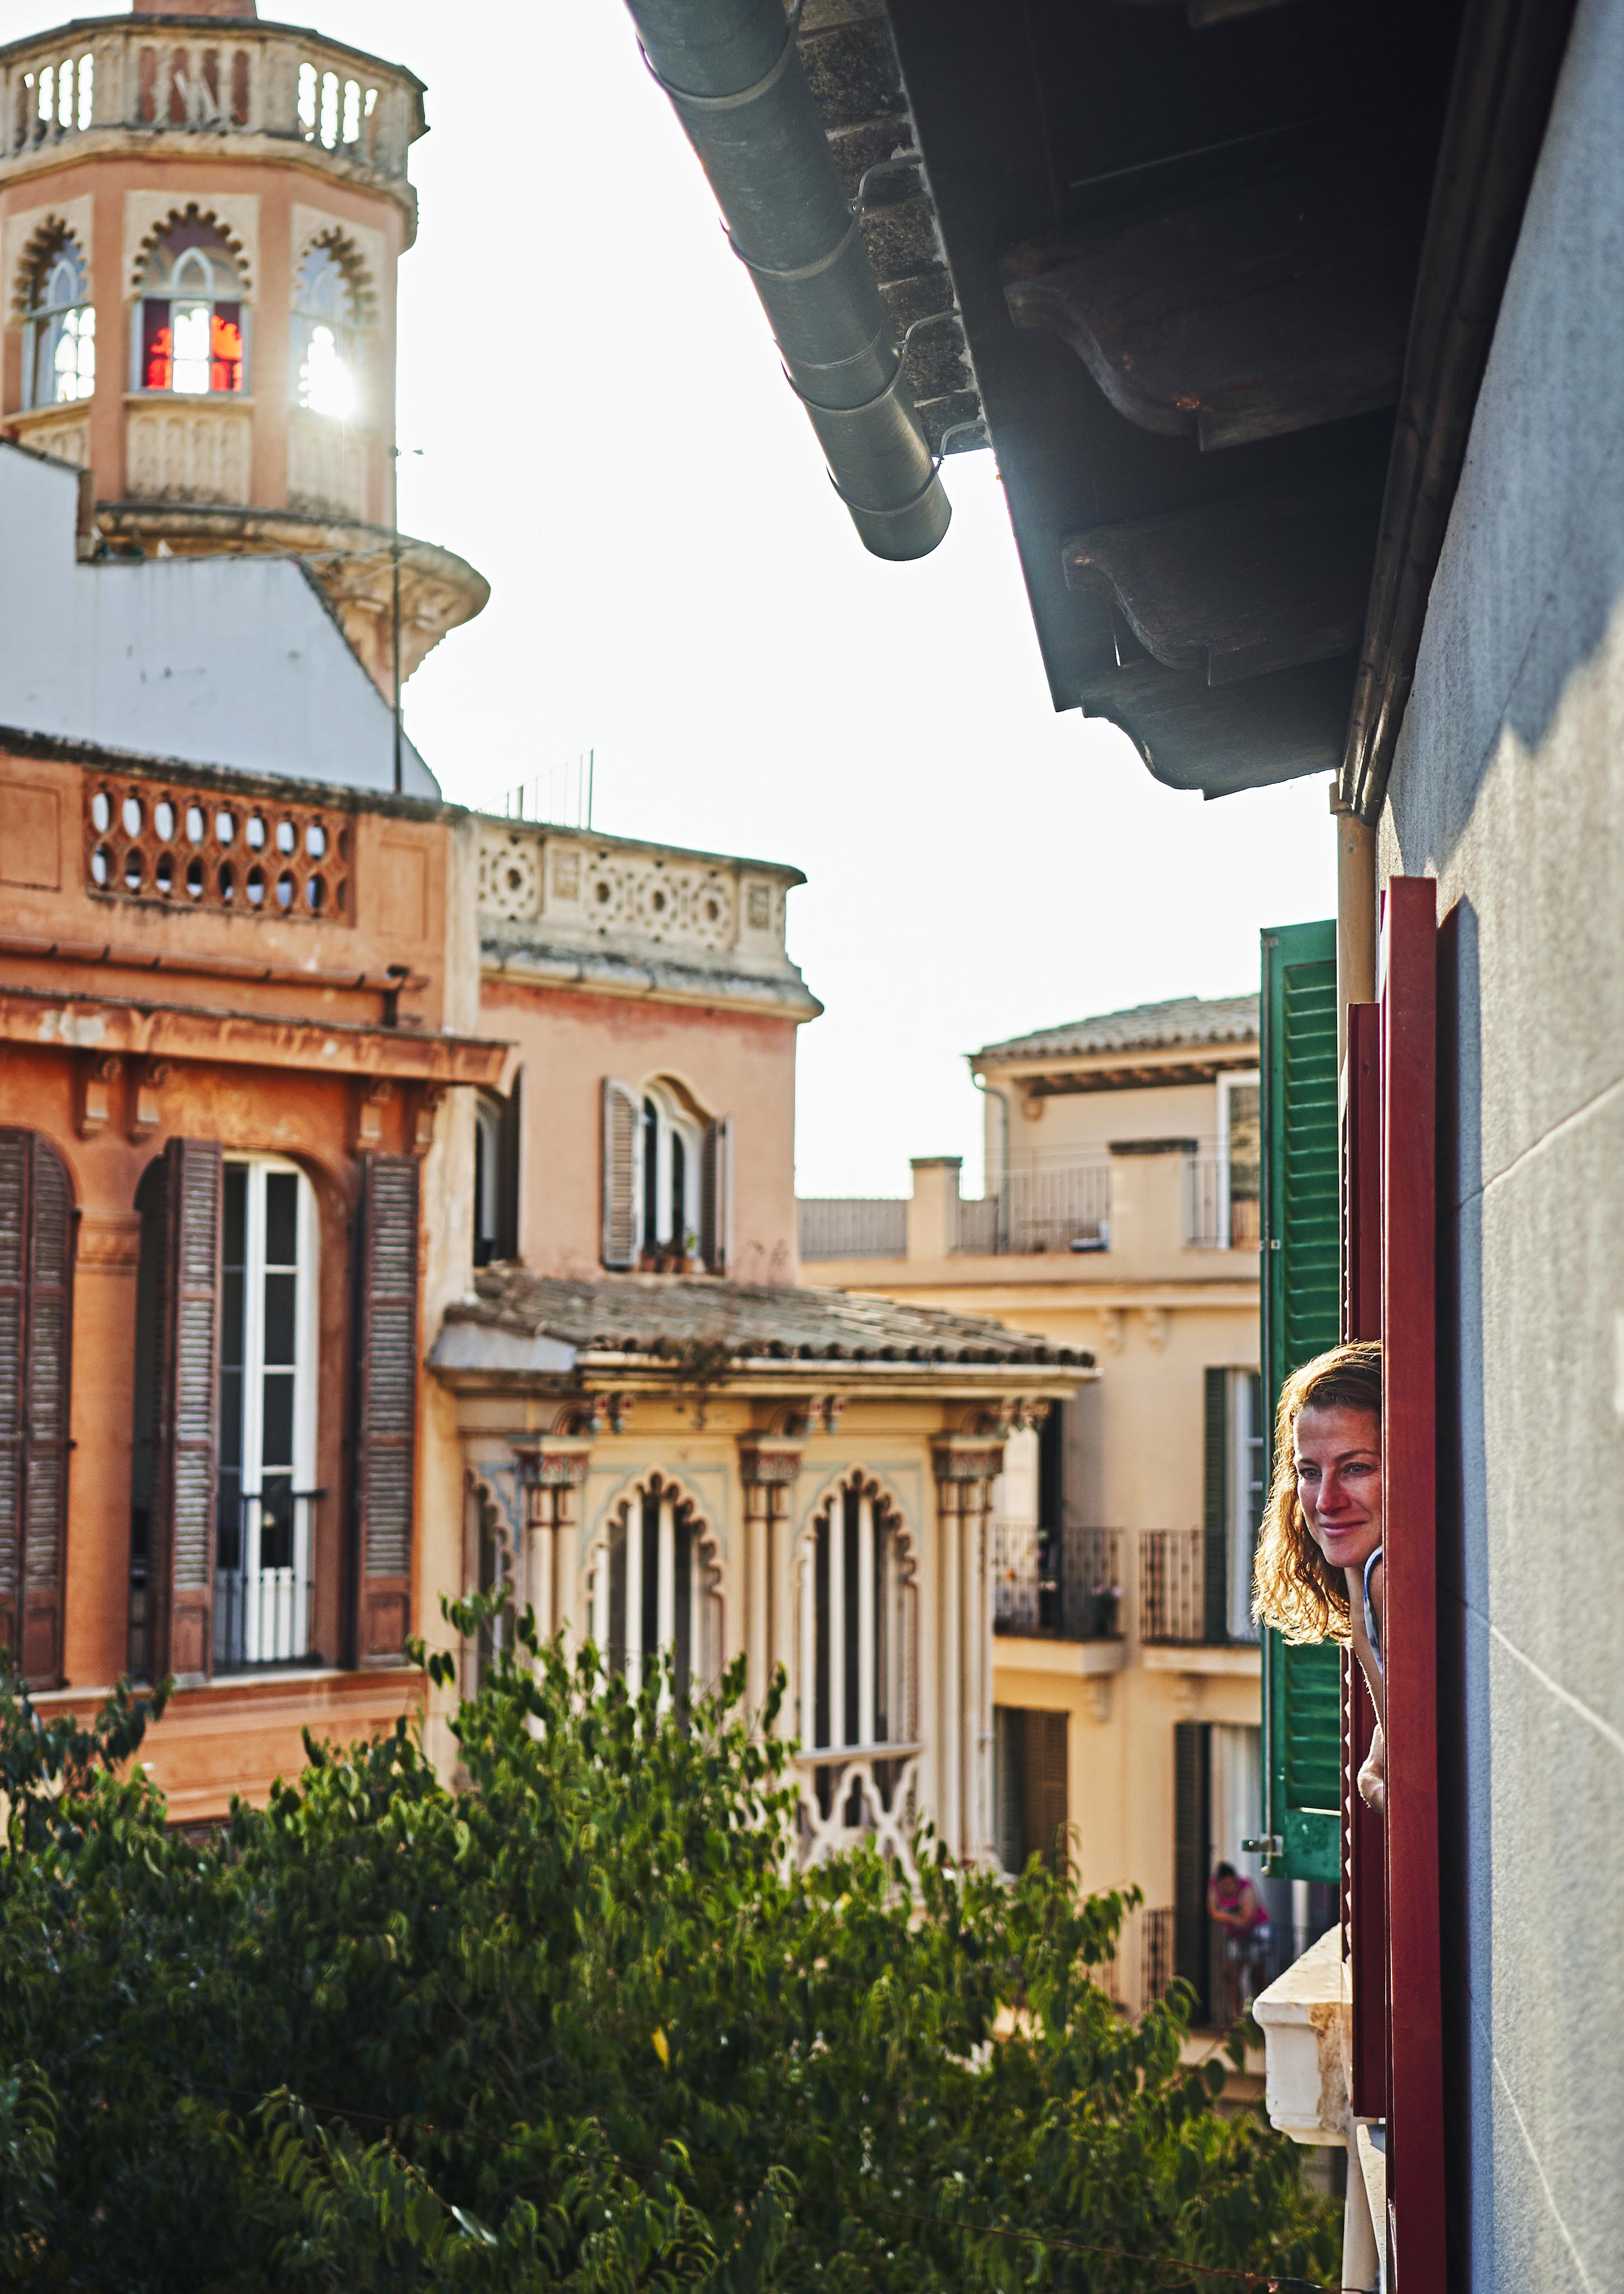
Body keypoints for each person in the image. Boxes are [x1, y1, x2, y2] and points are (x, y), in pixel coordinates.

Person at [1252, 1341, 1386, 1813]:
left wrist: (1370, 1781)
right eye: (1310, 1472)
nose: (1326, 1501)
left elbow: (1404, 1786)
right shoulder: (1368, 1575)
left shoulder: (1384, 1580)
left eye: (1356, 1468)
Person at [1208, 1861, 1271, 2021]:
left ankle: (1260, 2016)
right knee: (1230, 1974)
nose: (1228, 1888)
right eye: (1225, 1885)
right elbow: (1213, 1913)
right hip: (1235, 1935)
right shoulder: (1213, 1886)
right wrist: (1234, 1917)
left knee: (1258, 1975)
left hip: (1257, 1932)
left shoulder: (1246, 1886)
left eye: (1231, 1884)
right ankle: (1236, 2017)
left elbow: (1246, 1918)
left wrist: (1225, 1916)